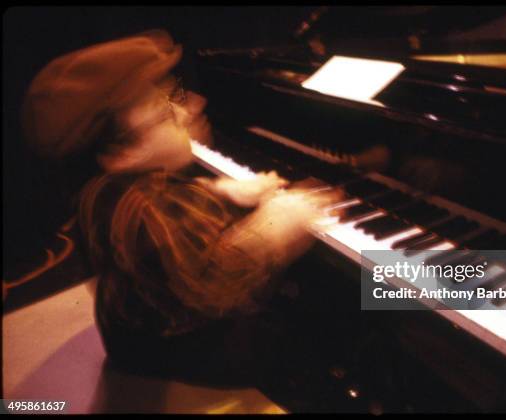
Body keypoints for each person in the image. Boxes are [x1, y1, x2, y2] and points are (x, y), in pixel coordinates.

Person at [22, 30, 347, 385]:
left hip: (131, 328)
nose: (193, 105)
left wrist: (220, 190)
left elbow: (172, 205)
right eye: (165, 112)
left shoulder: (109, 189)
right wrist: (273, 228)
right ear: (121, 154)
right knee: (319, 323)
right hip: (187, 346)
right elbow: (212, 284)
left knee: (313, 289)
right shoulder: (146, 210)